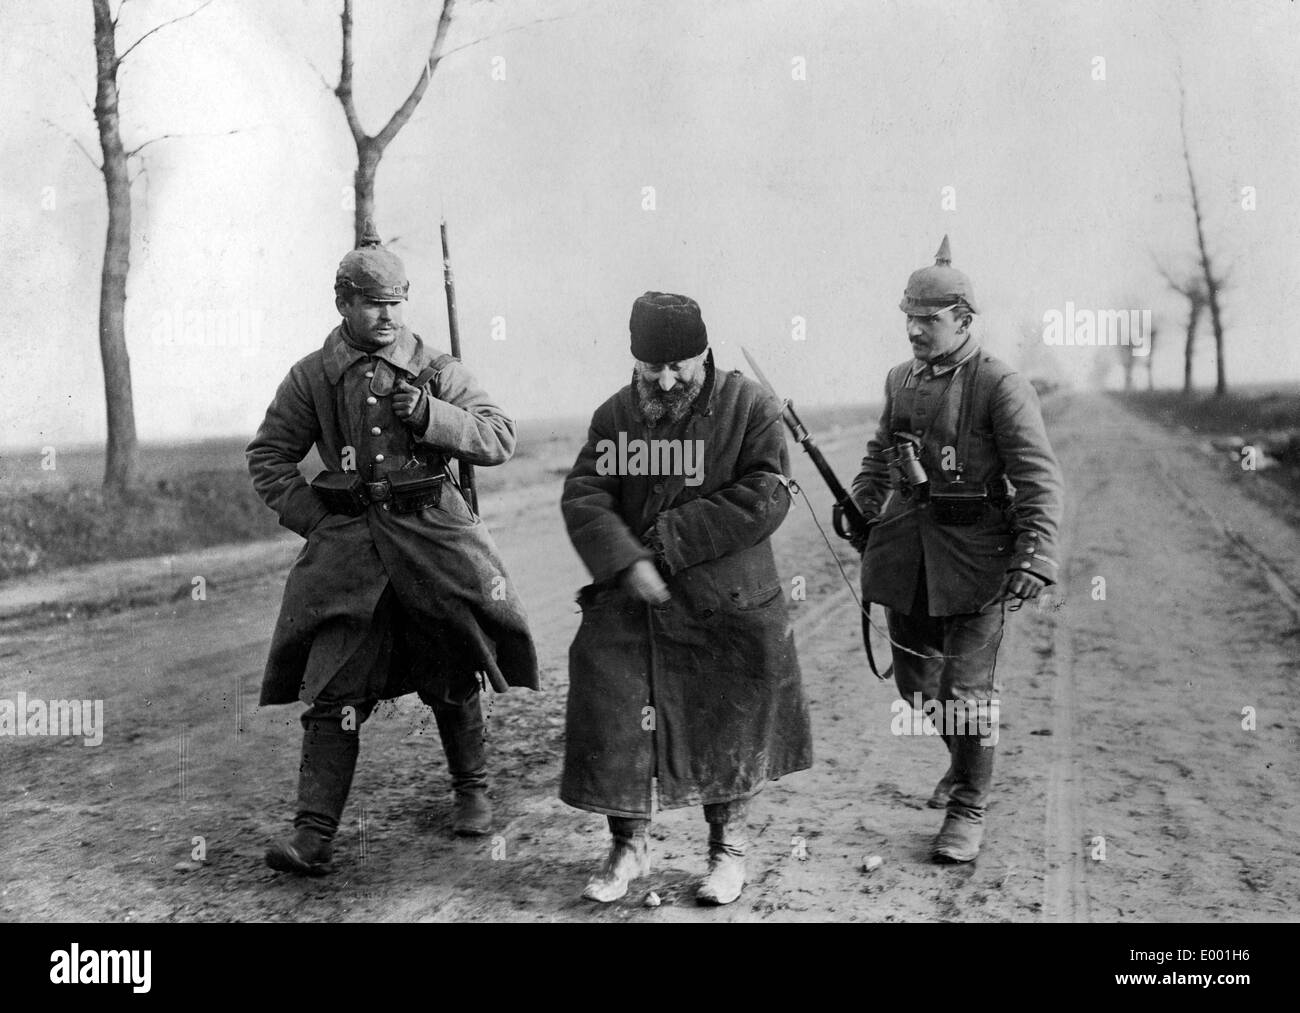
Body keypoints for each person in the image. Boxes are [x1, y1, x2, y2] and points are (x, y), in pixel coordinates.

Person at [247, 222, 539, 876]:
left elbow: (499, 437)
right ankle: (312, 837)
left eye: (396, 302)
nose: (386, 315)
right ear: (343, 303)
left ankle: (472, 789)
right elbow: (268, 456)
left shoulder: (437, 369)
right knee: (332, 689)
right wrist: (316, 519)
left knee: (451, 665)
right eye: (372, 302)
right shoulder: (314, 378)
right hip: (352, 549)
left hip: (433, 539)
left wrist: (433, 415)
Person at [560, 291, 813, 905]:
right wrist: (626, 562)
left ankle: (728, 852)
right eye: (652, 368)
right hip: (634, 599)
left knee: (727, 715)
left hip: (724, 598)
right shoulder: (614, 416)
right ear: (635, 360)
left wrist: (668, 540)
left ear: (705, 352)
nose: (666, 380)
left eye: (680, 365)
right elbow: (586, 495)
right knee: (613, 708)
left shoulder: (750, 406)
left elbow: (766, 493)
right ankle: (628, 846)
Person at [851, 237, 1063, 863]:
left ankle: (969, 806)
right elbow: (878, 455)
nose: (915, 330)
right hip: (907, 555)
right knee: (917, 690)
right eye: (908, 318)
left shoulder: (1001, 383)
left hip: (977, 560)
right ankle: (964, 762)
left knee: (965, 695)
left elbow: (1038, 475)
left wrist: (1035, 553)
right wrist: (862, 505)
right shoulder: (900, 378)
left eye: (929, 320)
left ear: (964, 321)